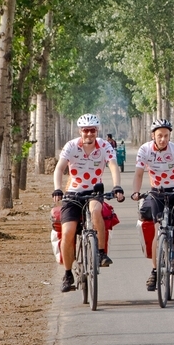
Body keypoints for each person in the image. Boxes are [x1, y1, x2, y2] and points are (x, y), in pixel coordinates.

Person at [52, 114, 125, 293]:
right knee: (68, 232)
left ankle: (100, 252)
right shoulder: (71, 146)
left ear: (97, 131)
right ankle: (68, 274)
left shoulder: (105, 146)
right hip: (72, 194)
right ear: (80, 131)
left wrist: (117, 186)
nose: (89, 134)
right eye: (86, 130)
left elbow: (113, 165)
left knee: (95, 211)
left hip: (94, 192)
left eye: (92, 130)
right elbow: (60, 168)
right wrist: (57, 188)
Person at [131, 119, 174, 291]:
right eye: (160, 136)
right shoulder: (145, 150)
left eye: (166, 136)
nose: (163, 139)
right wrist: (135, 191)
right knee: (158, 231)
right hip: (157, 193)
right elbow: (139, 174)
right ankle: (155, 271)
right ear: (153, 135)